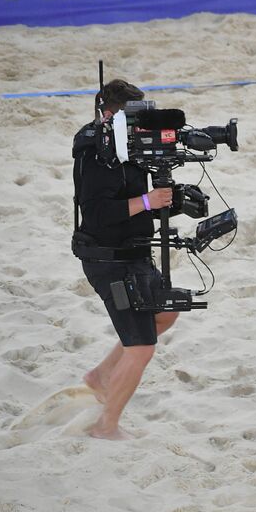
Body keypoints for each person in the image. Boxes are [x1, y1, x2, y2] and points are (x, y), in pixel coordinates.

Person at [71, 80, 178, 440]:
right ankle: (106, 427)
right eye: (129, 119)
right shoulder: (96, 153)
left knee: (166, 313)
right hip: (108, 259)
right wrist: (148, 202)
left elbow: (144, 194)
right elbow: (98, 214)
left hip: (133, 249)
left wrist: (172, 199)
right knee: (141, 348)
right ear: (108, 114)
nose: (137, 127)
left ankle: (101, 376)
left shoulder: (130, 145)